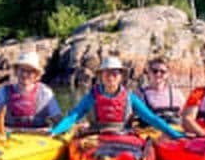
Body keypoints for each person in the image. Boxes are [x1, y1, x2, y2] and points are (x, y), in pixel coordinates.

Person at [51, 56, 184, 138]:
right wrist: (56, 131)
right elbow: (73, 116)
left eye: (115, 73)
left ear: (120, 77)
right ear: (101, 76)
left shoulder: (129, 97)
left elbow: (151, 118)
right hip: (97, 135)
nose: (110, 77)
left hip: (123, 135)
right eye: (107, 73)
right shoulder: (92, 96)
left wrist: (174, 134)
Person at [0, 51, 62, 129]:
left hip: (39, 137)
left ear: (36, 74)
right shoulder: (4, 92)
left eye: (30, 71)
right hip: (8, 136)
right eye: (22, 70)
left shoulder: (45, 93)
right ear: (16, 71)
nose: (25, 74)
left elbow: (58, 121)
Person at [137, 56, 184, 124]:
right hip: (149, 131)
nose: (158, 74)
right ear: (149, 72)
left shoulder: (177, 94)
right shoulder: (139, 94)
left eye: (162, 72)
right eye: (155, 71)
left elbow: (185, 115)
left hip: (173, 130)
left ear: (167, 74)